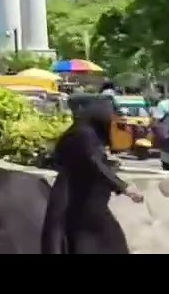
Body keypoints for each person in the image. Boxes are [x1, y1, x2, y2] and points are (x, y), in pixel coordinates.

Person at [41, 98, 143, 254]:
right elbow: (93, 162)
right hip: (80, 203)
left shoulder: (84, 132)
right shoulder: (83, 134)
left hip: (86, 202)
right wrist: (124, 187)